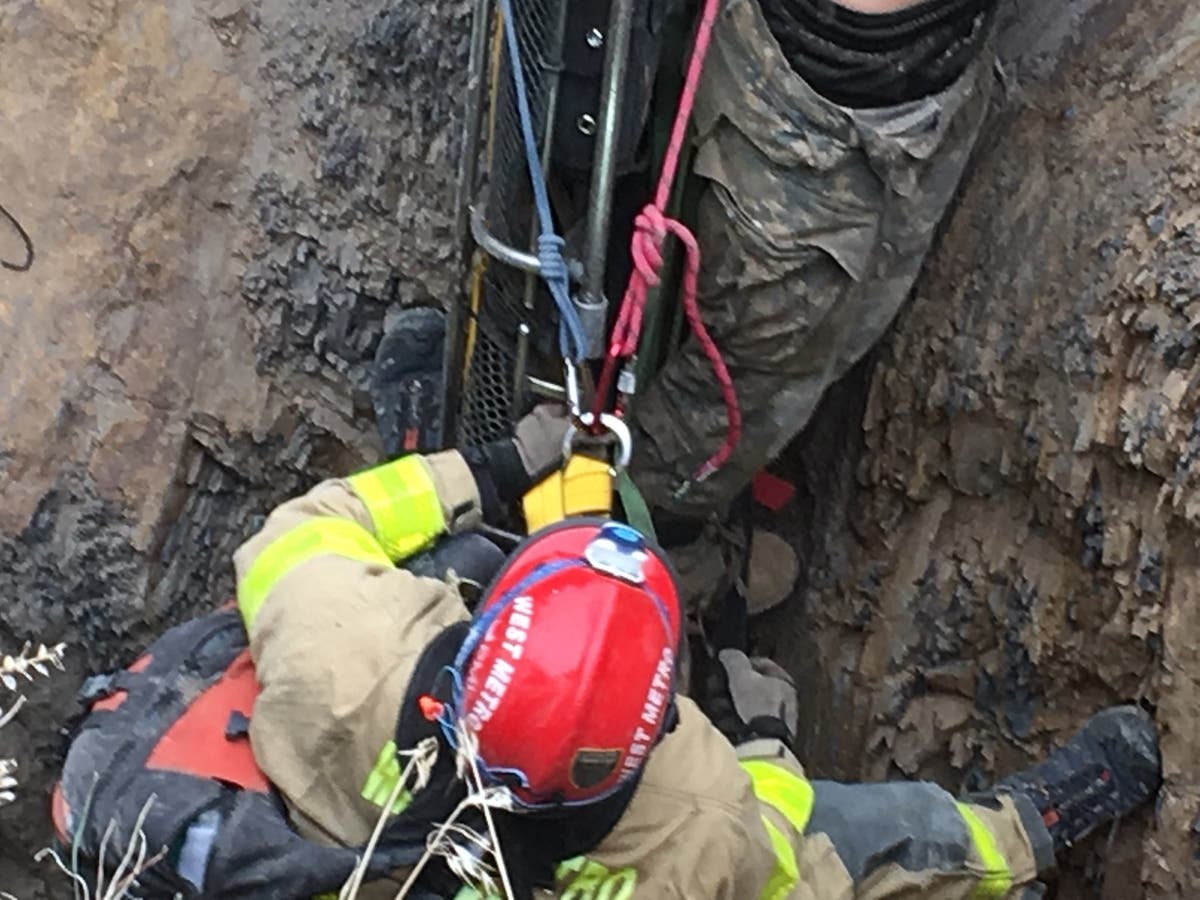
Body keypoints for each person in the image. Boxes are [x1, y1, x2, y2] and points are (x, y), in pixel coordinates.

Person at [54, 405, 1161, 899]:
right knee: (875, 839)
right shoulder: (684, 824)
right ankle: (1029, 832)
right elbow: (767, 853)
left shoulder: (342, 639)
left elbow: (304, 528)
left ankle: (417, 404)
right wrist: (765, 734)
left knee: (440, 538)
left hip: (345, 816)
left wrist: (489, 464)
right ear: (659, 720)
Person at [622, 0, 1003, 615]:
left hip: (886, 72)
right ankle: (656, 550)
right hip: (821, 107)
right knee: (756, 367)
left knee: (795, 337)